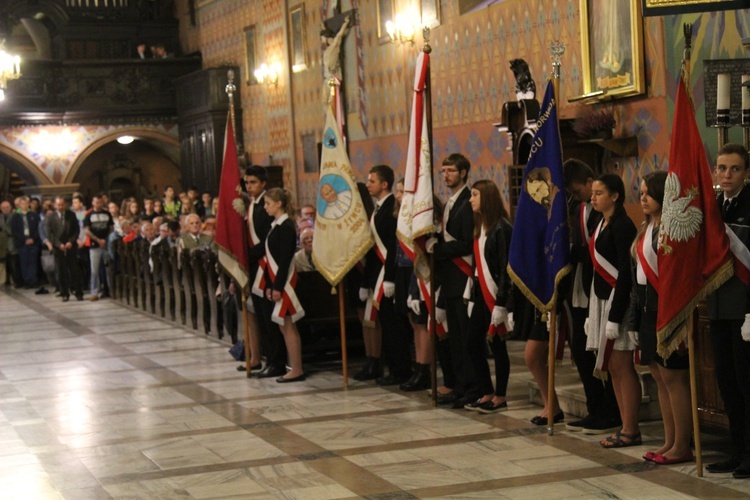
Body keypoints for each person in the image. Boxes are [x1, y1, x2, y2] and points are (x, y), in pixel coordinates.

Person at [627, 171, 693, 464]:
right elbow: (634, 279)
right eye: (640, 193)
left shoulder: (671, 230)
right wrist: (632, 320)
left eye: (648, 193)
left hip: (667, 309)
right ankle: (669, 441)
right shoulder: (645, 227)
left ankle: (683, 444)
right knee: (657, 375)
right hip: (645, 310)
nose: (643, 198)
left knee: (673, 377)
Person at [564, 159, 621, 434]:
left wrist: (572, 252)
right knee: (581, 352)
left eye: (579, 190)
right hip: (580, 289)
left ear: (590, 183)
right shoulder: (576, 209)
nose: (579, 196)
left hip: (601, 291)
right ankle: (594, 408)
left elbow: (597, 253)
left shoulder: (606, 216)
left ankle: (610, 411)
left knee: (602, 355)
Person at [706, 143, 750, 478]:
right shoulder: (713, 207)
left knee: (747, 382)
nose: (726, 175)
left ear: (746, 173)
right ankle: (738, 449)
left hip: (745, 309)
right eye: (721, 168)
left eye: (734, 169)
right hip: (719, 307)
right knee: (727, 382)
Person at [586, 173, 639, 448]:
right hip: (601, 299)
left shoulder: (623, 225)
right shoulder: (599, 221)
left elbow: (625, 275)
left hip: (618, 302)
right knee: (613, 367)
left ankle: (631, 428)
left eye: (599, 193)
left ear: (615, 196)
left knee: (621, 364)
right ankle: (624, 424)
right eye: (593, 193)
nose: (593, 197)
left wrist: (616, 316)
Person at [426, 153, 475, 408]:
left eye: (451, 171)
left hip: (463, 279)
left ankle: (470, 387)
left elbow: (467, 244)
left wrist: (438, 249)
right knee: (455, 339)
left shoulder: (469, 202)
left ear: (463, 173)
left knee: (466, 339)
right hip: (450, 281)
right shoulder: (450, 203)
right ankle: (458, 385)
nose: (446, 175)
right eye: (443, 171)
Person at [462, 180, 513, 414]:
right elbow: (477, 267)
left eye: (474, 195)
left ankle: (500, 395)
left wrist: (501, 304)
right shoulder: (480, 227)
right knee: (473, 343)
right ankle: (487, 391)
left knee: (497, 345)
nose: (470, 199)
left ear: (487, 198)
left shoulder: (502, 228)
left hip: (496, 297)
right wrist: (472, 297)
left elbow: (505, 269)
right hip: (482, 295)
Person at [361, 164, 412, 386]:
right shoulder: (379, 208)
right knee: (387, 324)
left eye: (371, 181)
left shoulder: (392, 206)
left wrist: (390, 278)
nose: (367, 184)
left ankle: (400, 369)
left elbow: (392, 246)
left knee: (394, 326)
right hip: (378, 274)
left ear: (384, 184)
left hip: (390, 275)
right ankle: (391, 367)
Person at [261, 187, 306, 382]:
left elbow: (286, 258)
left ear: (279, 204)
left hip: (286, 283)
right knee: (283, 326)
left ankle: (297, 369)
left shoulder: (286, 226)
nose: (265, 207)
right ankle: (294, 366)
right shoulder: (277, 225)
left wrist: (278, 287)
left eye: (268, 203)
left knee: (288, 325)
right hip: (278, 282)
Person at [246, 166, 283, 377]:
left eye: (253, 183)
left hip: (265, 267)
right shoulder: (251, 206)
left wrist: (248, 256)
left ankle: (277, 361)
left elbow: (267, 241)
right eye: (247, 183)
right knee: (261, 317)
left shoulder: (265, 208)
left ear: (263, 184)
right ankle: (267, 359)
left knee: (269, 318)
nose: (249, 187)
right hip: (254, 268)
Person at [46, 197, 84, 302]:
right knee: (61, 271)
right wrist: (58, 244)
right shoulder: (51, 217)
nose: (61, 207)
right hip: (59, 249)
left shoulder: (71, 215)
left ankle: (78, 292)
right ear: (55, 205)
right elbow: (50, 234)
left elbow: (76, 230)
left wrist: (71, 242)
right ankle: (64, 293)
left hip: (70, 246)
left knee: (75, 270)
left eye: (62, 205)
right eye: (58, 205)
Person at [83, 195, 114, 301]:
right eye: (96, 202)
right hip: (94, 245)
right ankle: (94, 291)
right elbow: (87, 230)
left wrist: (105, 239)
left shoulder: (107, 213)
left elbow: (111, 228)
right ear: (93, 203)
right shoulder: (89, 215)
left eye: (100, 202)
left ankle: (110, 289)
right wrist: (97, 240)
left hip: (106, 244)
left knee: (108, 268)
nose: (98, 204)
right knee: (94, 270)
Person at [10, 195, 41, 288]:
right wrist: (24, 240)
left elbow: (38, 228)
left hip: (33, 242)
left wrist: (33, 239)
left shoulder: (34, 215)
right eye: (22, 203)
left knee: (33, 261)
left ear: (28, 204)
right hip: (22, 243)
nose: (24, 205)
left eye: (26, 203)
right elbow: (14, 230)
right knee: (24, 262)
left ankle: (33, 280)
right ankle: (27, 280)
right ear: (19, 205)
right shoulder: (15, 216)